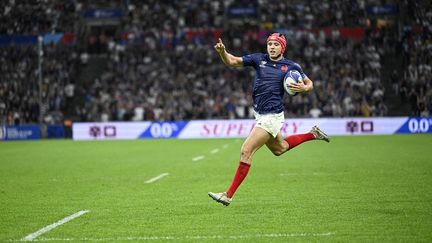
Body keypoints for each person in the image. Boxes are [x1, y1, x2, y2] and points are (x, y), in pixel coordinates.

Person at [208, 33, 330, 206]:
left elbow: (309, 83)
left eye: (276, 44)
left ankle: (228, 195)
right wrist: (222, 52)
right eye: (270, 44)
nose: (272, 47)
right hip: (260, 114)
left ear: (282, 47)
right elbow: (232, 61)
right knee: (280, 148)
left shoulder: (291, 66)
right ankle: (313, 134)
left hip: (272, 116)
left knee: (246, 151)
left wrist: (304, 87)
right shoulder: (259, 59)